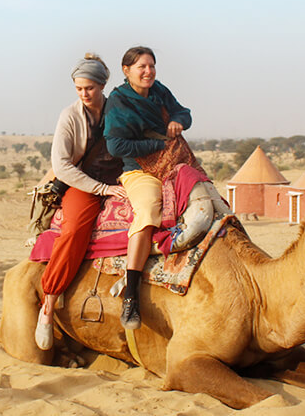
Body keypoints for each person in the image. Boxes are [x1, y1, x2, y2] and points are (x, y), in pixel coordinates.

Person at [35, 53, 126, 350]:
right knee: (74, 230)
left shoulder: (119, 109)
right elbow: (62, 165)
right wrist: (100, 189)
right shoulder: (70, 116)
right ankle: (48, 305)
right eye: (79, 89)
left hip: (123, 177)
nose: (84, 94)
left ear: (102, 85)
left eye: (89, 88)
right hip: (83, 181)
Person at [103, 46, 192, 330]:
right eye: (141, 67)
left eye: (151, 66)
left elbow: (183, 112)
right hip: (139, 170)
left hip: (171, 164)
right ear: (126, 70)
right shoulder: (118, 102)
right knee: (148, 213)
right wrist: (157, 145)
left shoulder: (158, 91)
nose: (148, 71)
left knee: (206, 198)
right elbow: (116, 145)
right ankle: (131, 294)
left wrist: (178, 120)